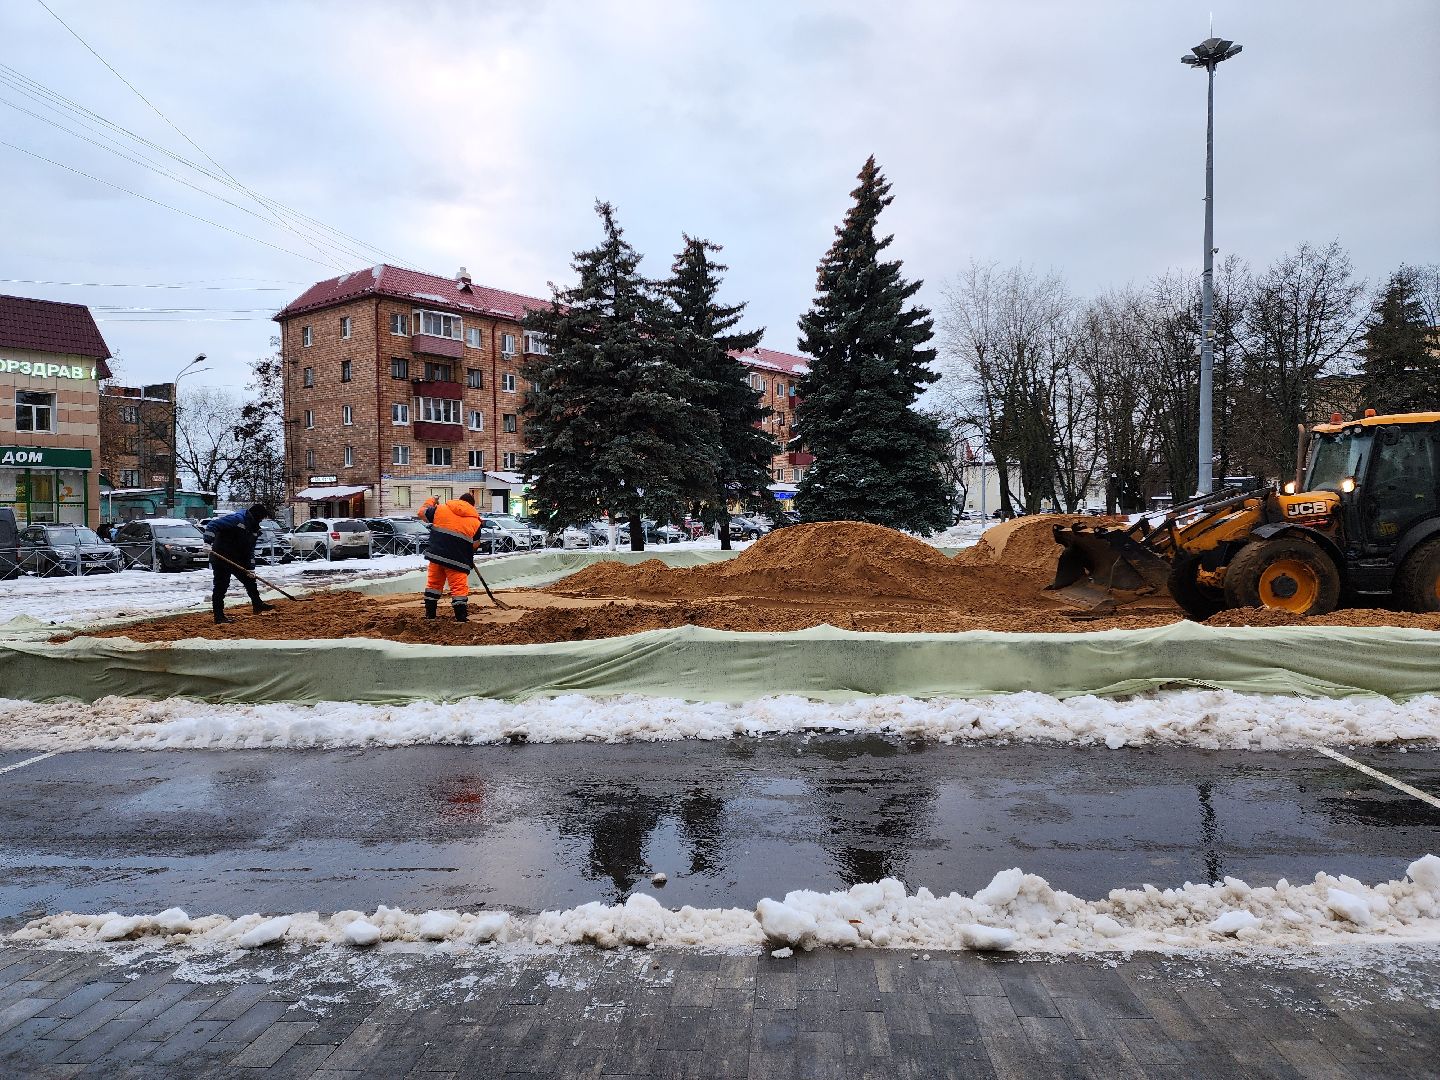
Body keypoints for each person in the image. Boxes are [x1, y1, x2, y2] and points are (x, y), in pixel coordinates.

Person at [203, 504, 276, 624]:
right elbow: (213, 525)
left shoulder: (253, 529)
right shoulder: (237, 519)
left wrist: (251, 568)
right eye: (261, 518)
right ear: (256, 515)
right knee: (221, 586)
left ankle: (257, 605)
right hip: (222, 558)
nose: (261, 520)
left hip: (237, 560)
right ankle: (219, 617)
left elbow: (250, 551)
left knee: (250, 581)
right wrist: (207, 542)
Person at [417, 492, 483, 621]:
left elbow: (421, 513)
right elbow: (475, 544)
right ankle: (461, 618)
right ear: (472, 506)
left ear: (460, 501)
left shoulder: (440, 509)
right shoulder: (476, 521)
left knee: (433, 585)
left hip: (437, 556)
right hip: (458, 560)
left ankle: (430, 615)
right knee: (458, 588)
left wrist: (432, 500)